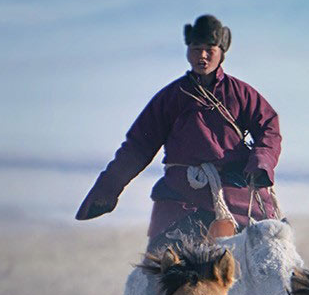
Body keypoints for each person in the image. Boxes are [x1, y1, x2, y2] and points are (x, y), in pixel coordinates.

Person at [76, 15, 282, 249]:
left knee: (273, 251)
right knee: (160, 267)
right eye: (196, 48)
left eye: (209, 49)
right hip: (184, 194)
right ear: (188, 50)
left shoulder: (242, 94)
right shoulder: (171, 98)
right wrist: (108, 188)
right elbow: (137, 147)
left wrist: (260, 164)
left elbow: (269, 128)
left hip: (235, 192)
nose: (202, 56)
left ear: (221, 51)